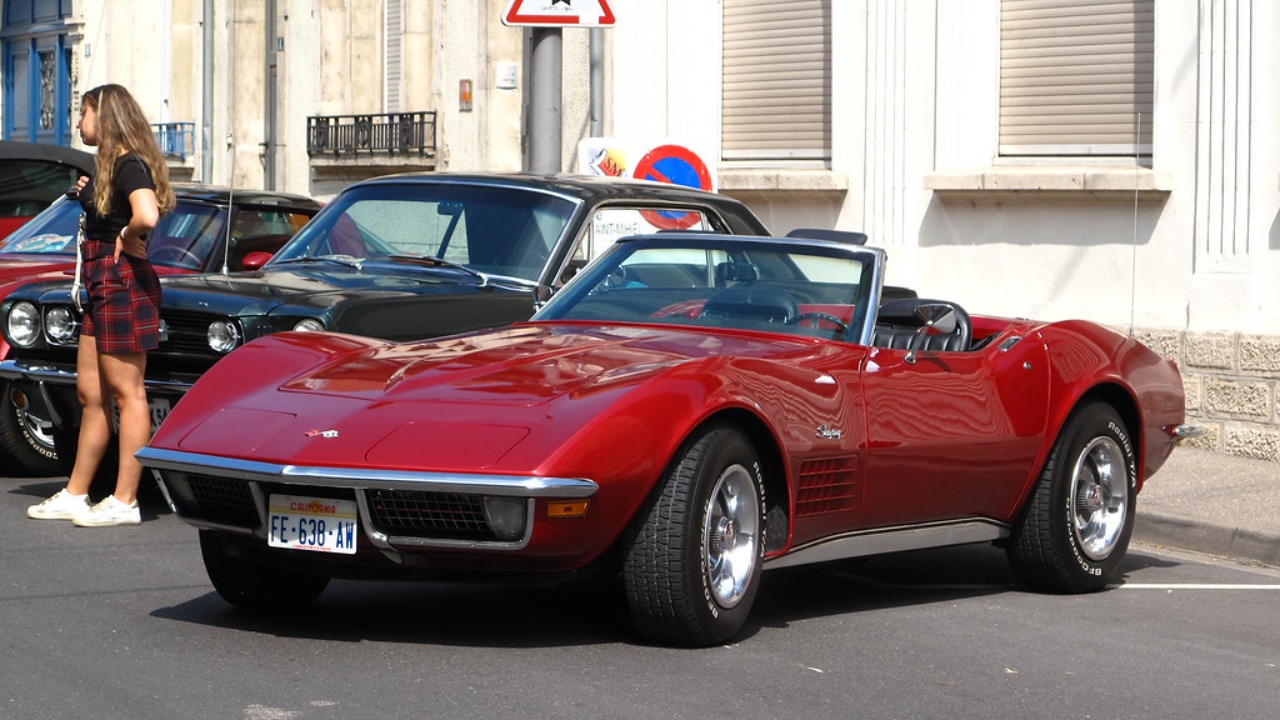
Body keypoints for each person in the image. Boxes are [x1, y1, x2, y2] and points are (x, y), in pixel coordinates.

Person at [27, 84, 175, 527]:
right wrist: (92, 192)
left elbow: (145, 214)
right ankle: (77, 493)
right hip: (100, 284)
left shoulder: (130, 164)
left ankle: (125, 499)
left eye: (84, 113)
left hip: (121, 282)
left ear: (105, 118)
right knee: (91, 395)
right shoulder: (112, 169)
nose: (77, 123)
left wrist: (128, 237)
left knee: (129, 396)